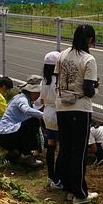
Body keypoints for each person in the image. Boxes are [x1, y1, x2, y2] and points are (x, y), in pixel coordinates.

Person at [55, 24, 99, 204]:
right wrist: (96, 88)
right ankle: (80, 193)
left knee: (65, 147)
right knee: (78, 152)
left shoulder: (62, 55)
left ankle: (68, 187)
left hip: (61, 106)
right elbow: (88, 90)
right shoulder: (89, 60)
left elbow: (58, 78)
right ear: (89, 40)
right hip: (80, 108)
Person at [0, 75, 44, 167]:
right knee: (34, 122)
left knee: (31, 124)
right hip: (6, 135)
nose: (38, 96)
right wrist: (44, 116)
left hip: (5, 134)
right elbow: (26, 109)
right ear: (31, 92)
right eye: (38, 93)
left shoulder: (23, 98)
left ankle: (16, 154)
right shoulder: (22, 99)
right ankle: (26, 155)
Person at [40, 51, 63, 189]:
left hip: (47, 114)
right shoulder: (58, 80)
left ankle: (50, 176)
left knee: (51, 145)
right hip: (58, 114)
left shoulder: (44, 80)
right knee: (62, 148)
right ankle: (57, 179)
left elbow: (42, 99)